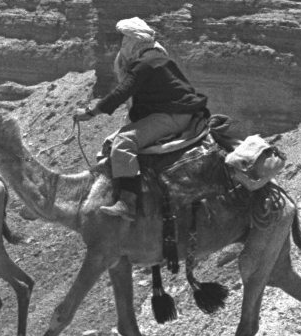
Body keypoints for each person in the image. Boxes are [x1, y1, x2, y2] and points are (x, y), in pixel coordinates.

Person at [73, 17, 210, 219]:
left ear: (133, 40)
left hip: (174, 115)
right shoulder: (153, 57)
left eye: (123, 40)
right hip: (172, 112)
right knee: (111, 142)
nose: (121, 46)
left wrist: (92, 112)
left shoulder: (146, 62)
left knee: (123, 142)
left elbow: (122, 91)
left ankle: (128, 203)